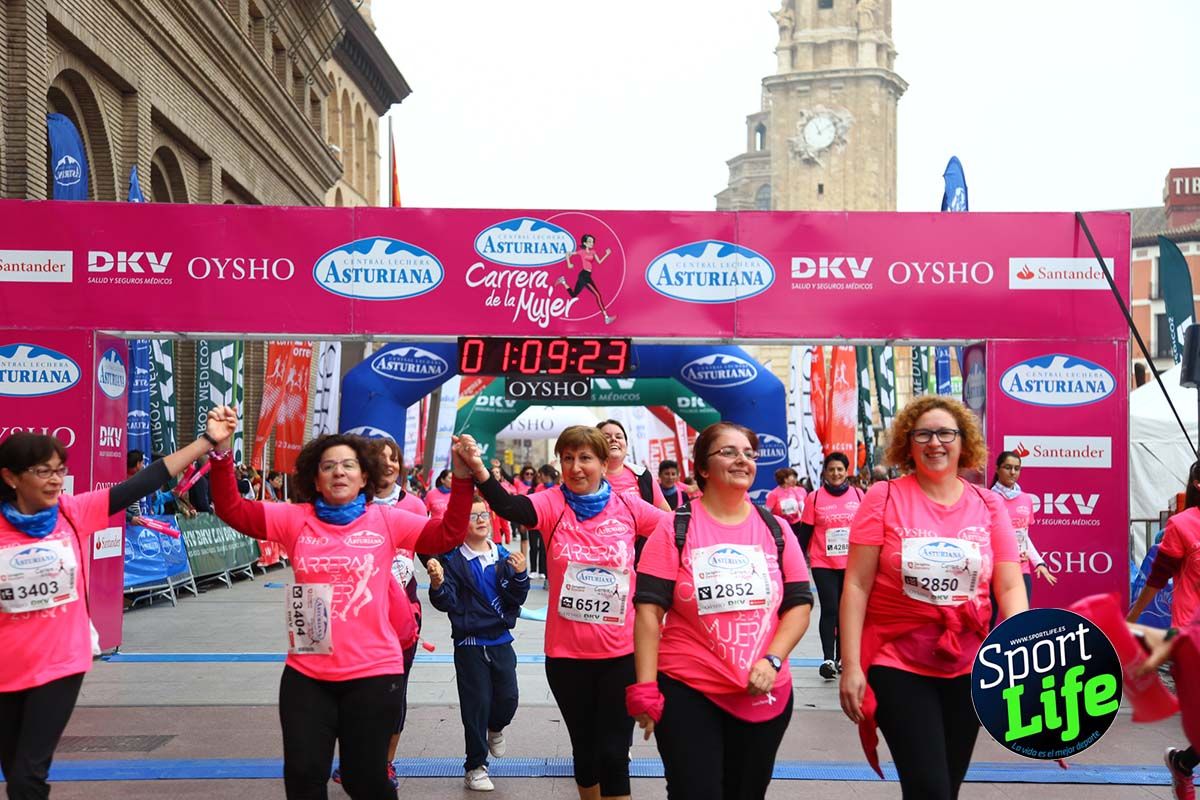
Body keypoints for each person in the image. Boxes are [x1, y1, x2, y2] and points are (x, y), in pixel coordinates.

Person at [206, 406, 477, 800]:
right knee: (303, 777)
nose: (339, 472)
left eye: (349, 465)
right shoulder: (294, 519)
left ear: (364, 476)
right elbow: (233, 510)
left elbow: (447, 534)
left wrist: (464, 479)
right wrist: (220, 452)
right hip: (307, 674)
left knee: (362, 781)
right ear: (315, 479)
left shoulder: (386, 520)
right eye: (328, 466)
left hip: (373, 673)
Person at [0, 419, 237, 799]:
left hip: (60, 663)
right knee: (13, 769)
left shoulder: (72, 512)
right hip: (7, 667)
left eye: (59, 470)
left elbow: (144, 482)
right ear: (11, 477)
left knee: (27, 777)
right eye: (43, 471)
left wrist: (207, 441)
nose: (55, 480)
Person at [839, 396, 1027, 800]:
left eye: (945, 433)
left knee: (946, 787)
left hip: (971, 666)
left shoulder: (989, 504)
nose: (935, 443)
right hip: (897, 661)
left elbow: (1010, 587)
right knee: (930, 789)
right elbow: (856, 585)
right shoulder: (883, 497)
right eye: (923, 434)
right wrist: (851, 666)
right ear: (908, 444)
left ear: (963, 442)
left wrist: (1018, 657)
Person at [471, 425, 668, 800]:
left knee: (614, 753)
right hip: (567, 656)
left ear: (604, 464)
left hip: (622, 653)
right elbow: (510, 507)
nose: (576, 467)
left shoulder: (628, 506)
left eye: (585, 458)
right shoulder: (552, 503)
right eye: (567, 458)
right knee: (586, 751)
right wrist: (480, 470)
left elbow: (675, 529)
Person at [629, 423, 813, 799]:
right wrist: (645, 687)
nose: (742, 459)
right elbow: (648, 612)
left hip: (762, 687)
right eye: (728, 452)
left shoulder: (776, 529)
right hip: (688, 687)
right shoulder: (674, 528)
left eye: (748, 453)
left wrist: (773, 660)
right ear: (703, 467)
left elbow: (798, 604)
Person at [427, 496, 529, 792]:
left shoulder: (503, 556)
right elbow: (446, 602)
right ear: (461, 523)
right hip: (470, 644)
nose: (482, 520)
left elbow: (516, 597)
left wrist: (521, 575)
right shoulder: (453, 561)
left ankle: (495, 728)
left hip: (501, 640)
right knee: (476, 706)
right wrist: (437, 584)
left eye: (484, 514)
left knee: (508, 699)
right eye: (473, 516)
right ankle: (475, 767)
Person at [369, 437, 427, 788]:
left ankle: (386, 762)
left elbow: (431, 545)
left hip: (402, 611)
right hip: (358, 611)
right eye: (381, 458)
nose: (389, 464)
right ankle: (357, 758)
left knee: (395, 689)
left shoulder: (414, 505)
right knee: (357, 690)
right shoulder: (353, 502)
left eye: (394, 458)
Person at [797, 452, 863, 680]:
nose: (836, 473)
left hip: (852, 563)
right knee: (830, 608)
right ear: (825, 472)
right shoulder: (814, 498)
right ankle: (828, 659)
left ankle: (842, 657)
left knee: (847, 610)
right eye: (831, 469)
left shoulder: (858, 495)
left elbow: (867, 529)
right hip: (823, 563)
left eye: (840, 469)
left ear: (847, 471)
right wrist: (796, 562)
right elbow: (804, 534)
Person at [1130, 461, 1200, 629]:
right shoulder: (1181, 524)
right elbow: (1157, 578)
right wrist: (1131, 618)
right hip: (1191, 633)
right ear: (1198, 484)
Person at [990, 451, 1056, 610]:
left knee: (1021, 621)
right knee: (988, 621)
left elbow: (1024, 536)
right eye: (1007, 467)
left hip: (1021, 568)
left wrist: (1039, 563)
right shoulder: (987, 498)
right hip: (994, 570)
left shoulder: (1026, 499)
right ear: (997, 469)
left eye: (1017, 468)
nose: (1013, 472)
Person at [598, 420, 670, 512]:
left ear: (626, 445)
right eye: (606, 437)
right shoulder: (588, 477)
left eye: (619, 437)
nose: (614, 439)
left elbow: (667, 515)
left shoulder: (642, 475)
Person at [556, 233, 617, 324]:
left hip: (587, 275)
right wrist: (569, 264)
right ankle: (606, 317)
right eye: (589, 241)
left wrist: (607, 254)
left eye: (592, 242)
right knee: (598, 295)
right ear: (584, 243)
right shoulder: (581, 252)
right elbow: (568, 253)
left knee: (573, 295)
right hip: (584, 276)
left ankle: (563, 281)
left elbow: (599, 262)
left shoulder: (593, 252)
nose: (592, 243)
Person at [765, 466, 807, 544]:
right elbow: (767, 512)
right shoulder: (773, 494)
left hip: (796, 524)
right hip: (781, 525)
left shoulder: (794, 490)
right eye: (792, 476)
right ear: (785, 479)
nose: (794, 479)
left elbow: (801, 506)